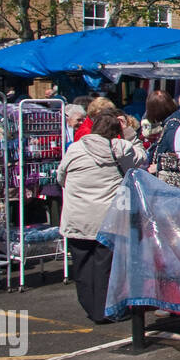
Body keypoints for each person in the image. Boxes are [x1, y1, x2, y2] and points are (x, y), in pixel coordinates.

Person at [57, 106, 147, 323]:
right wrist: (128, 133)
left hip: (77, 216)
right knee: (104, 265)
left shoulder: (75, 148)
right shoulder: (119, 147)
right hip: (105, 218)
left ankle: (91, 307)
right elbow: (142, 157)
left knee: (82, 265)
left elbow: (61, 176)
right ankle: (105, 309)